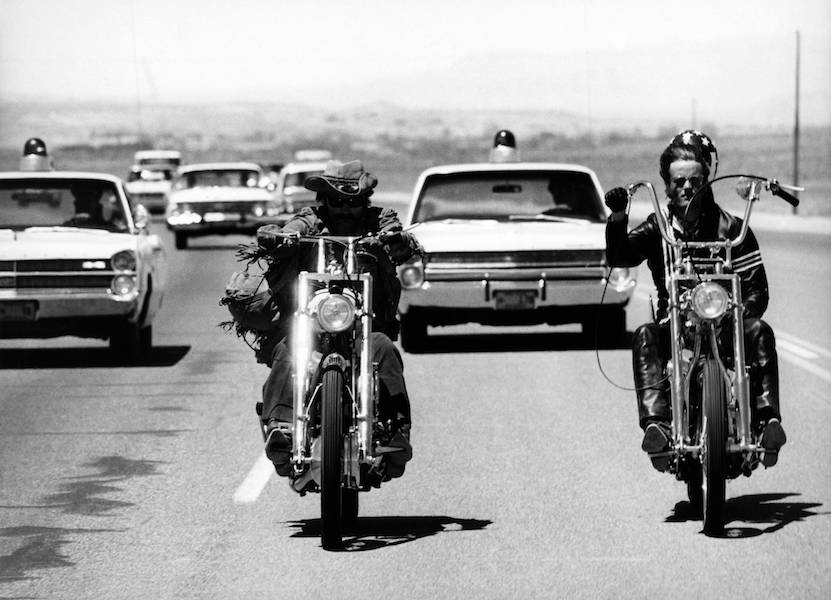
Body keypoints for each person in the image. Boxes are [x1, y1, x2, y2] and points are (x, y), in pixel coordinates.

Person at [604, 129, 786, 470]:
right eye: (678, 181)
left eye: (695, 180)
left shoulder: (733, 229)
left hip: (727, 324)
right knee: (645, 336)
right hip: (674, 326)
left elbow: (758, 289)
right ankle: (657, 426)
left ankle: (766, 424)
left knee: (760, 331)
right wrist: (616, 218)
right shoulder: (659, 228)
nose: (686, 187)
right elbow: (619, 256)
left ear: (707, 180)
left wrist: (739, 311)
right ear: (666, 185)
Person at [254, 159, 423, 482]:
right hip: (316, 319)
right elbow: (295, 228)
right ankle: (281, 427)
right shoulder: (311, 219)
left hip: (365, 323)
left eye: (352, 203)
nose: (345, 210)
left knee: (384, 348)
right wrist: (280, 236)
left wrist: (394, 240)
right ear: (324, 201)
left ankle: (395, 431)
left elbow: (401, 240)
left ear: (364, 202)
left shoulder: (380, 219)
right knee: (289, 349)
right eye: (337, 202)